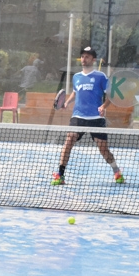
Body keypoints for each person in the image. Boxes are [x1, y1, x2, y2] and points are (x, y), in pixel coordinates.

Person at [51, 46, 124, 186]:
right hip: (78, 116)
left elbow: (111, 94)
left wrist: (103, 106)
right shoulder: (76, 77)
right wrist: (66, 102)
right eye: (83, 56)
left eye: (87, 57)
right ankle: (60, 175)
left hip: (96, 118)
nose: (84, 59)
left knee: (103, 150)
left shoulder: (100, 76)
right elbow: (75, 92)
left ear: (93, 59)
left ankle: (116, 170)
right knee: (68, 142)